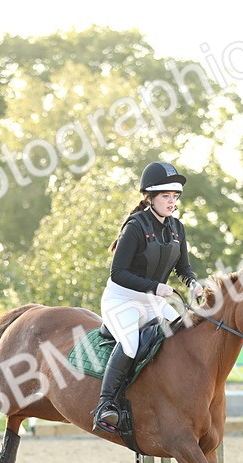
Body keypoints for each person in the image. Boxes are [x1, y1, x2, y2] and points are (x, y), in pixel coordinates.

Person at [93, 161, 206, 433]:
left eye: (175, 196)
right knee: (131, 344)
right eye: (166, 196)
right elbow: (118, 273)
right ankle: (105, 405)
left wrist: (193, 283)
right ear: (150, 197)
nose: (172, 201)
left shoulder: (177, 228)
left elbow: (183, 267)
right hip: (122, 300)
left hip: (154, 301)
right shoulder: (134, 226)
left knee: (185, 334)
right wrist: (155, 287)